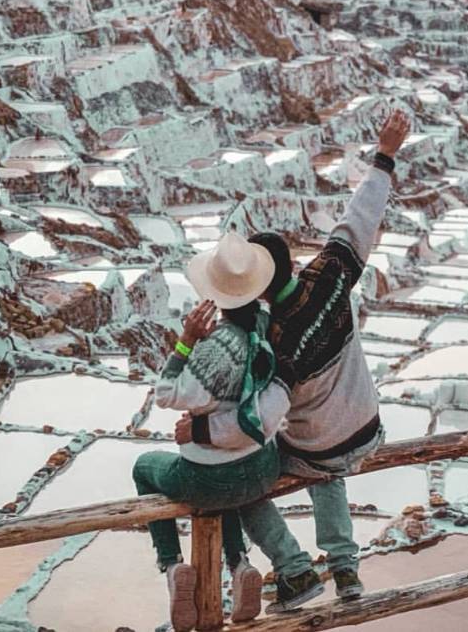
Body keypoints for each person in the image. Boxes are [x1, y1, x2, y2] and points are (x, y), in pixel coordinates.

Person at [175, 109, 411, 612]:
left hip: (316, 448)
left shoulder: (270, 344)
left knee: (239, 476)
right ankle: (345, 566)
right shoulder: (330, 276)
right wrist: (385, 156)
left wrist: (198, 434)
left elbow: (254, 423)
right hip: (366, 429)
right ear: (293, 263)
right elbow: (360, 218)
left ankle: (292, 568)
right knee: (328, 453)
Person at [132, 232, 282, 631]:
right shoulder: (267, 326)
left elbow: (168, 394)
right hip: (262, 468)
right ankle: (239, 563)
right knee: (224, 479)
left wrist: (186, 342)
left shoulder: (220, 346)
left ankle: (172, 565)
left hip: (211, 479)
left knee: (144, 467)